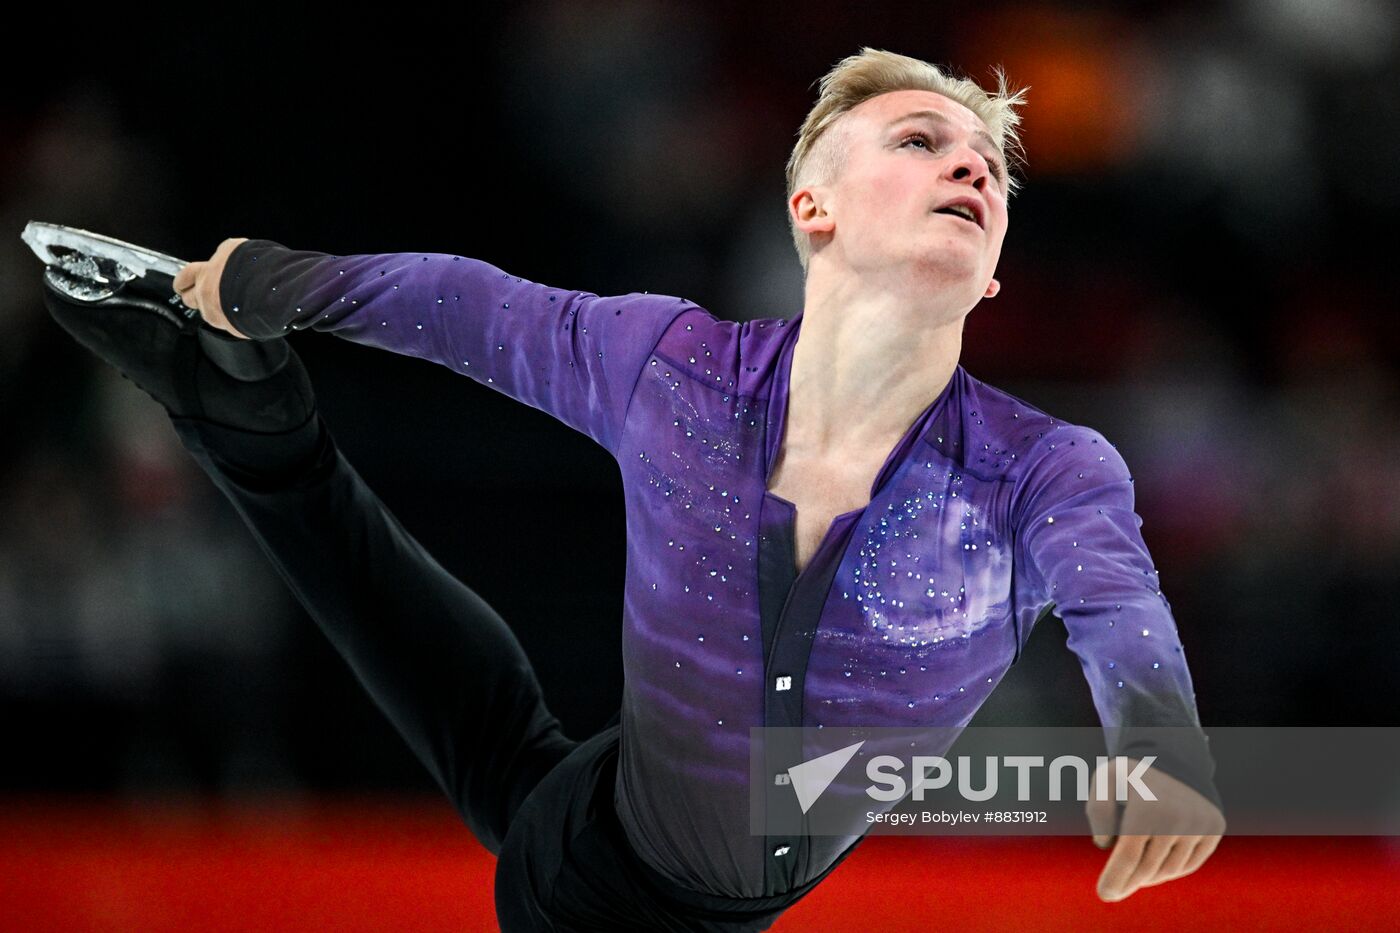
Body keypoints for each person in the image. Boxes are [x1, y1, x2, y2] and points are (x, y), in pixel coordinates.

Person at [45, 47, 1223, 931]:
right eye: (919, 140)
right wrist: (267, 280)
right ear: (810, 208)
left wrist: (1159, 742)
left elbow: (1114, 603)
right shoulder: (675, 372)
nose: (969, 161)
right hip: (600, 880)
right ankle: (254, 427)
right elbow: (471, 307)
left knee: (511, 761)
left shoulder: (1044, 469)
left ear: (997, 270)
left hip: (638, 856)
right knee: (515, 767)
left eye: (988, 167)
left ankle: (252, 430)